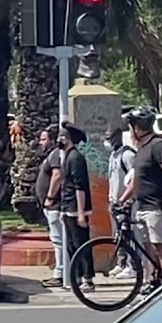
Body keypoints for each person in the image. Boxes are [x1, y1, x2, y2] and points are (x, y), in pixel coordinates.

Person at [117, 106, 162, 288]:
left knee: (161, 248)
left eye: (131, 127)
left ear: (137, 127)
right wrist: (122, 200)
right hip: (142, 205)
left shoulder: (158, 145)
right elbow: (137, 179)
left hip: (156, 206)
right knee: (148, 248)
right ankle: (154, 281)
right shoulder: (142, 148)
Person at [58, 122, 94, 291]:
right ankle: (77, 277)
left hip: (76, 208)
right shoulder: (67, 156)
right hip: (68, 207)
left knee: (81, 244)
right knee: (72, 245)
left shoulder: (76, 158)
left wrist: (80, 213)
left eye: (62, 136)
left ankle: (88, 278)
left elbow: (80, 187)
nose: (60, 139)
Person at [104, 123, 138, 279]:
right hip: (114, 202)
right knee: (118, 235)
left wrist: (127, 200)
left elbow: (134, 179)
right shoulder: (113, 155)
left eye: (109, 138)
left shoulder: (127, 156)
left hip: (125, 203)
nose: (107, 141)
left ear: (117, 137)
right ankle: (121, 263)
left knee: (128, 234)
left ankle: (131, 266)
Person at [34, 130, 64, 288]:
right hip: (50, 205)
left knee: (58, 239)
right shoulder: (51, 155)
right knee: (56, 238)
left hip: (54, 205)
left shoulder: (56, 155)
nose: (40, 142)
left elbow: (57, 176)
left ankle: (60, 272)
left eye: (43, 139)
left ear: (52, 140)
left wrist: (50, 197)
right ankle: (60, 269)